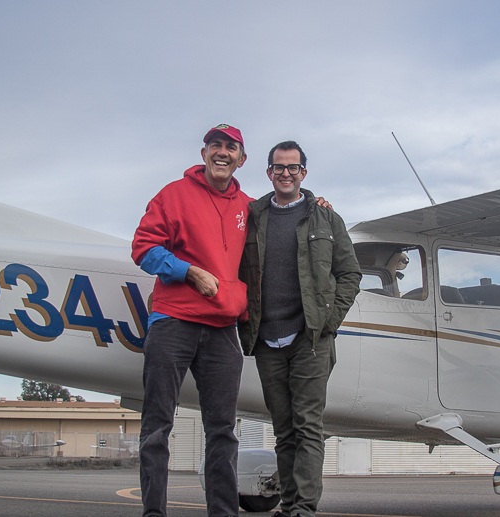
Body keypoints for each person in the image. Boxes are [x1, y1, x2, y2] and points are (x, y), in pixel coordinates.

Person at [131, 124, 250, 517]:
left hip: (222, 332)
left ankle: (223, 512)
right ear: (203, 153)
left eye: (230, 147)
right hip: (173, 323)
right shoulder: (172, 195)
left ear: (241, 159)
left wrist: (317, 206)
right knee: (157, 426)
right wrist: (187, 272)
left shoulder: (248, 207)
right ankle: (154, 513)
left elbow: (284, 228)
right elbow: (144, 248)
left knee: (222, 431)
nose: (222, 152)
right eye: (215, 145)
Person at [238, 141, 362, 517]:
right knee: (283, 430)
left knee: (308, 426)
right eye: (279, 167)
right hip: (266, 340)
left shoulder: (326, 218)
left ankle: (304, 509)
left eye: (293, 168)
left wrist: (328, 322)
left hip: (309, 340)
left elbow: (350, 273)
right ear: (269, 172)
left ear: (303, 173)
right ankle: (288, 504)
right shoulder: (253, 214)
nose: (286, 173)